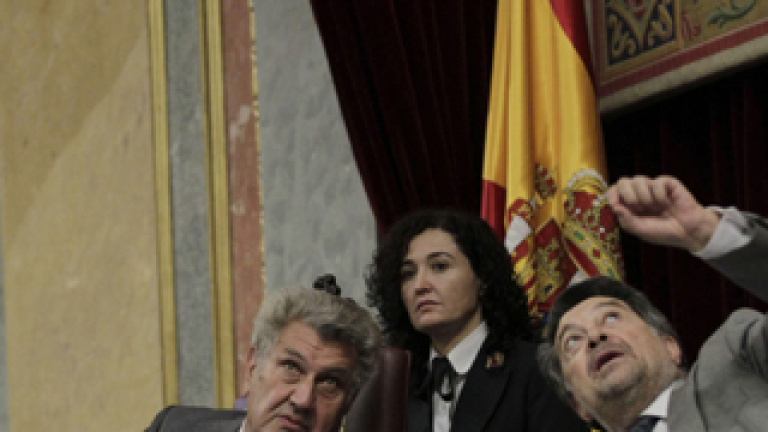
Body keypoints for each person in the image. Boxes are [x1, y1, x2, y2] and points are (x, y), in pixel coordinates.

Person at [538, 175, 768, 432]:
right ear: (576, 404)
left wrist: (705, 232)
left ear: (670, 347)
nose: (594, 336)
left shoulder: (735, 353)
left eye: (611, 317)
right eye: (572, 341)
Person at [366, 209, 588, 432]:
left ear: (483, 278)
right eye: (408, 274)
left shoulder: (537, 370)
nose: (420, 285)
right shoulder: (395, 384)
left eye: (440, 266)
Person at [145, 282, 382, 432]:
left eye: (329, 382)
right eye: (291, 367)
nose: (303, 400)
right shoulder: (172, 426)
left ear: (349, 403)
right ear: (252, 367)